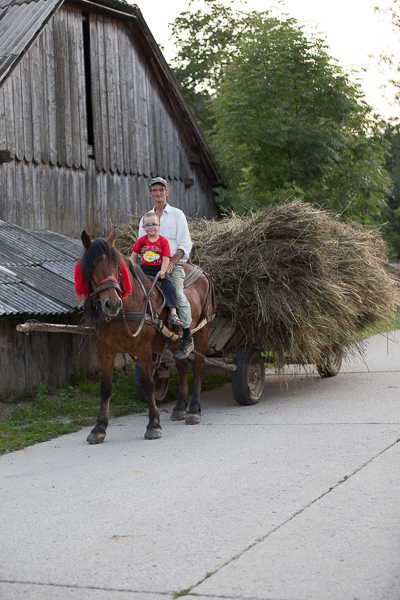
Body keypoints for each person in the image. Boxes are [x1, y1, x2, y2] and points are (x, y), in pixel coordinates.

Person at [139, 176, 194, 360]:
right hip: (150, 264)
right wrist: (142, 253)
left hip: (173, 264)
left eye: (161, 190)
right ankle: (144, 335)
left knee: (177, 294)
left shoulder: (177, 215)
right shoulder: (146, 218)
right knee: (138, 294)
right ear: (150, 193)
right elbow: (141, 243)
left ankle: (187, 337)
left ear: (166, 192)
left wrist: (171, 262)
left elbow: (185, 244)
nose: (158, 193)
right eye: (154, 190)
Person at [130, 212, 183, 326]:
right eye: (147, 225)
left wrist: (163, 271)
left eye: (154, 224)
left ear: (159, 226)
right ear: (143, 228)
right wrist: (130, 268)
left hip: (158, 269)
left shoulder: (163, 241)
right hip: (144, 269)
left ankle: (173, 313)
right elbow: (133, 256)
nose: (151, 227)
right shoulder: (141, 241)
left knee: (169, 286)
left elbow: (166, 258)